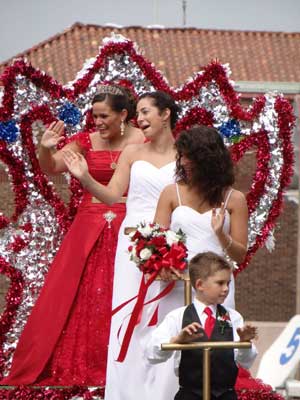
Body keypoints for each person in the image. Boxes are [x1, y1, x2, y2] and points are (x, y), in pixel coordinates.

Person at [1, 84, 144, 386]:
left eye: (104, 116)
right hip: (88, 224)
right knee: (77, 292)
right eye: (94, 116)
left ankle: (126, 365)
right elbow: (52, 166)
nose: (98, 122)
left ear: (124, 115)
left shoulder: (144, 143)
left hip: (131, 225)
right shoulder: (85, 141)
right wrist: (45, 146)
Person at [62, 90, 181, 400]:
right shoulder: (132, 153)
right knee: (130, 313)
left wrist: (177, 240)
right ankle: (126, 391)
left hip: (173, 243)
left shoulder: (185, 153)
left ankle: (165, 390)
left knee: (168, 312)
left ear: (165, 114)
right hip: (133, 244)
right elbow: (113, 197)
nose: (139, 119)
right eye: (137, 113)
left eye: (144, 112)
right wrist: (86, 178)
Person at [154, 125, 248, 310]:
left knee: (216, 337)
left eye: (189, 157)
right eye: (180, 156)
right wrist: (161, 264)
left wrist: (221, 234)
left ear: (208, 161)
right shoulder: (171, 193)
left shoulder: (235, 199)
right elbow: (155, 241)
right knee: (174, 336)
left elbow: (240, 255)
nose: (182, 162)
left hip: (216, 285)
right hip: (176, 283)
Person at [146, 251, 258, 400]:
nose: (226, 289)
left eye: (228, 283)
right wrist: (176, 341)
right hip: (189, 395)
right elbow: (151, 354)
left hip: (225, 396)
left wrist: (245, 343)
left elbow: (246, 362)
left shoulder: (234, 318)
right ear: (200, 285)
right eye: (220, 283)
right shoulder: (177, 317)